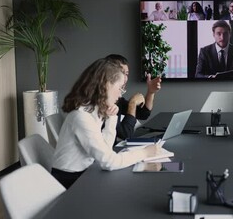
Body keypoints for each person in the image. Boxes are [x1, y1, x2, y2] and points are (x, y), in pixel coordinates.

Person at [51, 58, 162, 189]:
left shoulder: (92, 110)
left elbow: (106, 150)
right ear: (106, 85)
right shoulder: (81, 117)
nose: (120, 95)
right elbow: (109, 162)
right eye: (120, 88)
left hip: (84, 173)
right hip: (70, 182)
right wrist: (144, 153)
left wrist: (111, 118)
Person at [104, 54, 161, 141]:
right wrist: (132, 103)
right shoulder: (103, 101)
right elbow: (125, 134)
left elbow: (143, 114)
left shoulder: (118, 100)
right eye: (122, 73)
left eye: (126, 74)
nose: (125, 78)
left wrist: (151, 92)